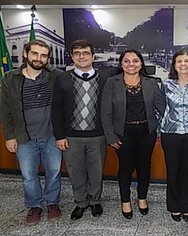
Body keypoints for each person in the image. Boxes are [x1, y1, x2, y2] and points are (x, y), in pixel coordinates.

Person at [0, 39, 62, 226]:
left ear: (48, 58)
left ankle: (52, 203)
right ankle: (34, 206)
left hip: (51, 135)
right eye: (35, 53)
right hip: (24, 137)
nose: (39, 58)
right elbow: (5, 110)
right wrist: (9, 136)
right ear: (26, 54)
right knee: (28, 175)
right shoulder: (10, 78)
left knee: (54, 171)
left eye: (43, 55)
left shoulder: (56, 76)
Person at [101, 49, 165, 219]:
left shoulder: (151, 83)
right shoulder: (111, 83)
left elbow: (163, 108)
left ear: (141, 63)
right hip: (123, 135)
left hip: (147, 133)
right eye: (127, 61)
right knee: (125, 168)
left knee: (144, 167)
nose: (131, 64)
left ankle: (142, 198)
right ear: (121, 64)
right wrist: (111, 137)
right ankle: (125, 201)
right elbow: (105, 112)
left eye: (135, 61)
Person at [51, 39, 108, 220]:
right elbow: (56, 108)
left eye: (85, 53)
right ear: (72, 56)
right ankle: (81, 203)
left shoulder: (106, 78)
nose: (81, 56)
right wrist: (59, 136)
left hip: (98, 135)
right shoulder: (62, 78)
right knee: (76, 171)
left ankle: (95, 201)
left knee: (96, 171)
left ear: (93, 56)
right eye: (77, 53)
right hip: (71, 136)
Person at [160, 50, 188, 222]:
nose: (183, 64)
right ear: (174, 66)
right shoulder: (166, 84)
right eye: (179, 61)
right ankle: (173, 207)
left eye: (187, 61)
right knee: (172, 172)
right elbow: (160, 108)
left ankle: (186, 207)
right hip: (170, 133)